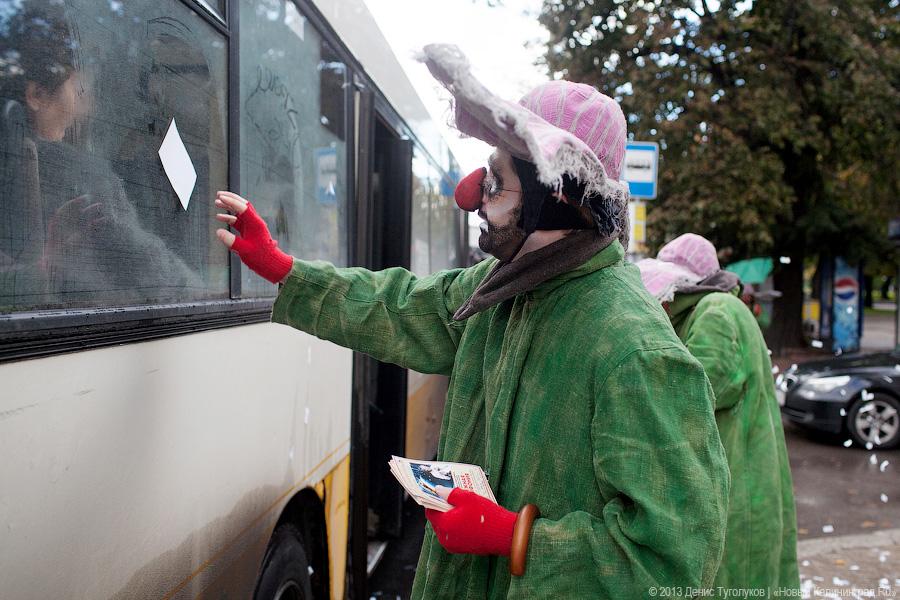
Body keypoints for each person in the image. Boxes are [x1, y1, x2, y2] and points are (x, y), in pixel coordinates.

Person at [216, 44, 730, 598]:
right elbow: (402, 305)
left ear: (553, 196)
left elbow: (674, 561)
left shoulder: (635, 349)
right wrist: (286, 270)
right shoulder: (502, 290)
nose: (473, 199)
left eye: (495, 181)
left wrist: (515, 538)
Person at [0, 2, 199, 308]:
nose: (88, 108)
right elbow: (159, 274)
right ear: (37, 95)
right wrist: (198, 287)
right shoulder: (82, 175)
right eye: (80, 91)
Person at [637, 233, 800, 596]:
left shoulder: (716, 311)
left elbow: (696, 390)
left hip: (738, 488)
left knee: (734, 578)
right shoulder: (715, 309)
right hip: (740, 479)